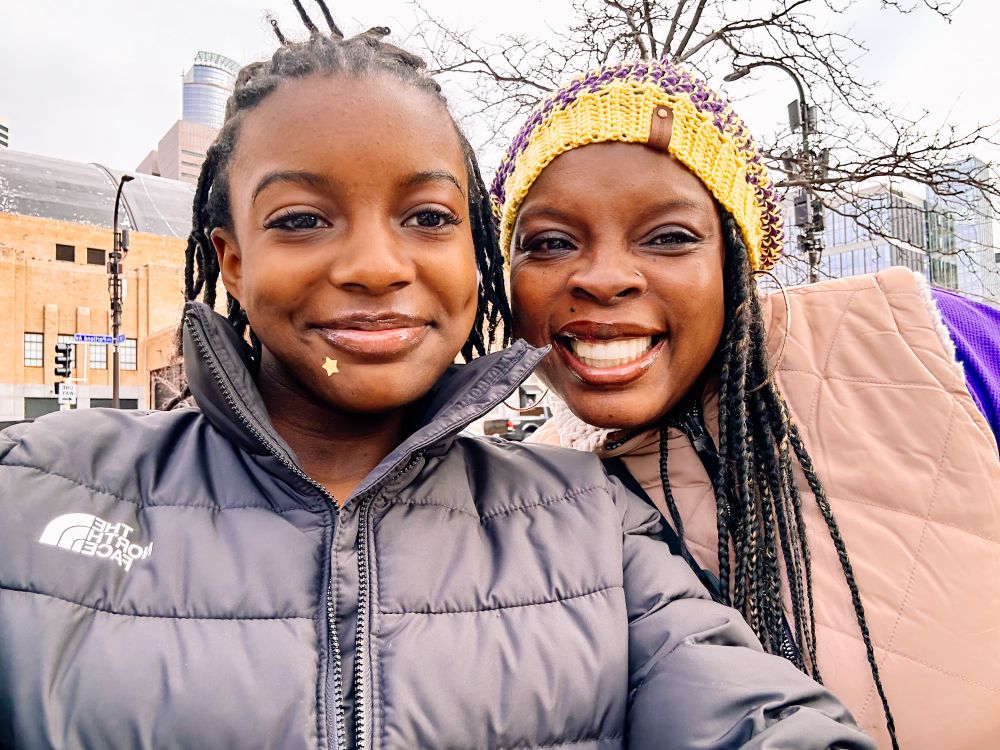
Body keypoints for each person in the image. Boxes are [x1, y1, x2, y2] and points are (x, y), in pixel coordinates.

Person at [0, 5, 874, 749]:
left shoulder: (589, 517)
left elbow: (748, 710)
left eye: (427, 216)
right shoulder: (39, 487)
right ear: (230, 260)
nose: (378, 265)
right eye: (302, 218)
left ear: (473, 257)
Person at [493, 56, 1000, 750]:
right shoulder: (520, 505)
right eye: (550, 242)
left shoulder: (929, 343)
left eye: (668, 236)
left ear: (736, 259)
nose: (605, 277)